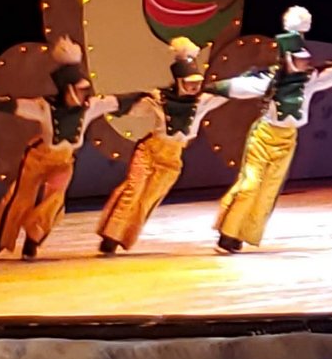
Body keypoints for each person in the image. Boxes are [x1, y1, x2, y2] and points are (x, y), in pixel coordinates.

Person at [214, 5, 332, 252]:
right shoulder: (269, 81)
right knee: (250, 184)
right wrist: (206, 90)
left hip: (287, 139)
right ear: (288, 59)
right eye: (300, 58)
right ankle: (227, 233)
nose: (306, 62)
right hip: (264, 136)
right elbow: (234, 87)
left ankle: (243, 233)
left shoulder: (310, 80)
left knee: (268, 188)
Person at [0, 36, 118, 259]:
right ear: (68, 89)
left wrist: (145, 98)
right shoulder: (45, 107)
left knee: (54, 200)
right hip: (38, 157)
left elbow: (116, 102)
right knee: (20, 198)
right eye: (80, 90)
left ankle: (33, 239)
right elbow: (18, 106)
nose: (84, 94)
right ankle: (1, 240)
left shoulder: (89, 107)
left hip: (63, 161)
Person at [95, 37, 239, 254]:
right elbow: (126, 104)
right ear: (179, 81)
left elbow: (231, 89)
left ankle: (122, 236)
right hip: (150, 151)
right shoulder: (159, 100)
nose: (194, 87)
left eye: (197, 82)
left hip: (171, 160)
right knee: (133, 190)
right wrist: (94, 105)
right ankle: (110, 237)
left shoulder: (202, 101)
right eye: (189, 82)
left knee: (147, 199)